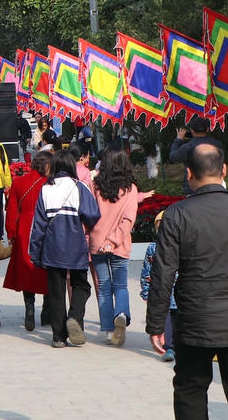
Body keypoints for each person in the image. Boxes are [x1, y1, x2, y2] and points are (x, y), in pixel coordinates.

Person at [146, 144, 228, 420]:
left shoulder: (176, 215)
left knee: (190, 393)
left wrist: (156, 324)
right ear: (224, 170)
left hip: (195, 320)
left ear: (189, 173)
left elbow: (163, 273)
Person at [29, 146, 100, 348]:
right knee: (81, 285)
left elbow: (39, 225)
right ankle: (75, 317)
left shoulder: (45, 189)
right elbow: (93, 214)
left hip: (51, 247)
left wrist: (35, 253)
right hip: (75, 244)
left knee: (56, 291)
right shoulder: (79, 188)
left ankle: (58, 337)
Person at [88, 143, 141, 346]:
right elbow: (128, 219)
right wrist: (114, 241)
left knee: (103, 287)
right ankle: (121, 313)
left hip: (97, 243)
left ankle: (109, 331)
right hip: (120, 245)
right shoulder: (131, 189)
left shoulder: (95, 185)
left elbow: (89, 213)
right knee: (121, 285)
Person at [4, 150, 50, 332]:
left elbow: (12, 210)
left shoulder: (19, 182)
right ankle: (47, 309)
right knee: (46, 268)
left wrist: (11, 233)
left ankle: (29, 306)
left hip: (24, 227)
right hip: (44, 226)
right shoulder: (49, 183)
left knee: (26, 268)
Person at [140, 211, 177, 362]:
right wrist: (146, 292)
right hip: (171, 294)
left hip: (168, 294)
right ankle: (170, 346)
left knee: (169, 319)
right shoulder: (153, 248)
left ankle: (170, 346)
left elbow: (145, 273)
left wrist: (146, 291)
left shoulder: (153, 247)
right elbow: (147, 272)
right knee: (170, 319)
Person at [167, 116, 221, 196]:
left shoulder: (188, 147)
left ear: (191, 130)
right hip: (215, 187)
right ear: (207, 129)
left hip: (193, 189)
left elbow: (173, 157)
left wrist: (178, 140)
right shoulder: (218, 145)